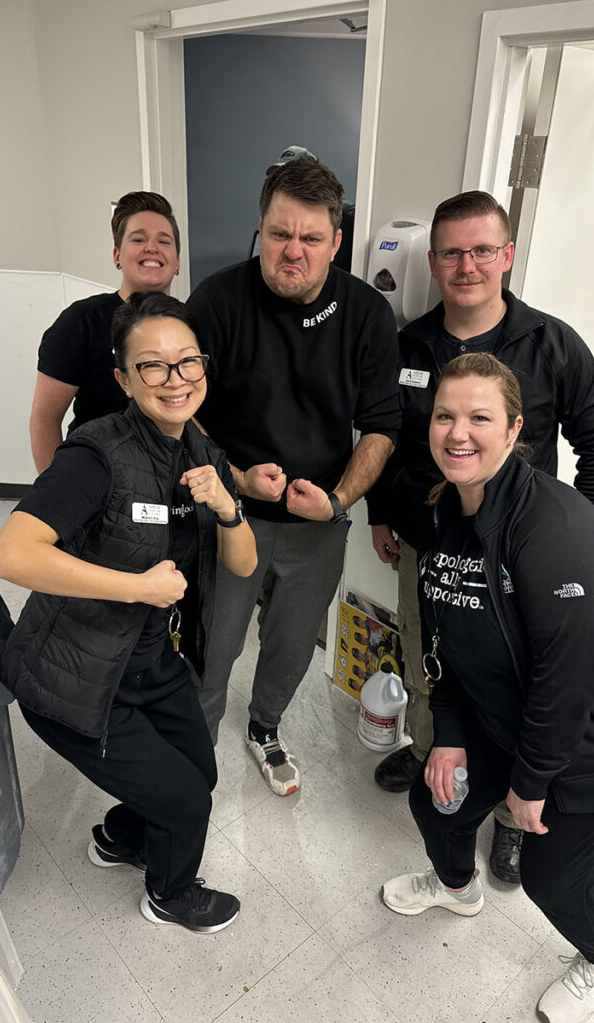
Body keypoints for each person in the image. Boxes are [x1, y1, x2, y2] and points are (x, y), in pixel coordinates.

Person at [381, 352, 594, 1023]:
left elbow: (566, 675)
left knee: (554, 878)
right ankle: (458, 887)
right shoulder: (442, 515)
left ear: (515, 430)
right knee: (440, 806)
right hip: (512, 720)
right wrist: (451, 736)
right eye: (445, 416)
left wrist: (532, 781)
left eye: (480, 418)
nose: (459, 433)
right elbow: (444, 642)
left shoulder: (556, 527)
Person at [367, 190, 594, 884]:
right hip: (431, 542)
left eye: (483, 249)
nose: (468, 265)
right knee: (433, 655)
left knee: (521, 683)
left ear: (507, 255)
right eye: (453, 251)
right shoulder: (409, 344)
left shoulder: (551, 343)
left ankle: (512, 820)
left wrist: (580, 530)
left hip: (519, 558)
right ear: (435, 260)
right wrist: (381, 514)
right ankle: (436, 751)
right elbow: (390, 439)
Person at [0, 292, 257, 933]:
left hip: (148, 658)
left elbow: (244, 564)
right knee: (189, 801)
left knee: (201, 769)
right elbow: (9, 555)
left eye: (187, 362)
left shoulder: (198, 450)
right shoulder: (96, 453)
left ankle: (121, 835)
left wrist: (228, 506)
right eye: (153, 367)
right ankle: (171, 895)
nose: (175, 379)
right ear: (123, 380)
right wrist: (135, 587)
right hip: (73, 675)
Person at [187, 157, 400, 794]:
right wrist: (233, 477)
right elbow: (181, 412)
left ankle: (264, 729)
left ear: (336, 241)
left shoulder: (365, 314)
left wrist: (336, 502)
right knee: (215, 644)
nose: (292, 252)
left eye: (311, 239)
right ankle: (194, 750)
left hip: (317, 523)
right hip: (233, 514)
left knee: (290, 646)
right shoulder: (218, 300)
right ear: (261, 229)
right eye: (280, 235)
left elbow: (382, 426)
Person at [30, 191, 181, 473]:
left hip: (170, 481)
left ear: (177, 262)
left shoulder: (189, 326)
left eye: (164, 241)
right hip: (97, 475)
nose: (152, 248)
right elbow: (45, 418)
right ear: (117, 256)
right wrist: (57, 493)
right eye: (138, 239)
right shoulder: (81, 321)